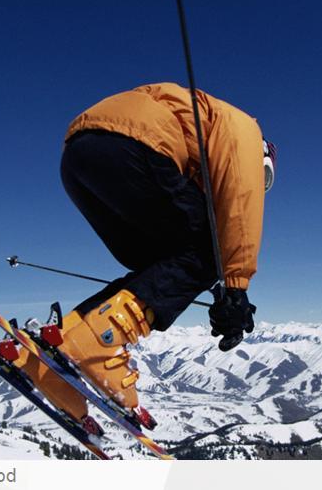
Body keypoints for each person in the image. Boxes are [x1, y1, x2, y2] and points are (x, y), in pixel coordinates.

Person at [23, 82, 276, 430]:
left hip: (79, 155)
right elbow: (240, 202)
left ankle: (53, 353)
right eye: (264, 177)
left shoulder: (206, 128)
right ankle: (98, 343)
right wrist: (235, 287)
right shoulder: (247, 131)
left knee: (162, 266)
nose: (260, 184)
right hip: (135, 143)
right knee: (210, 252)